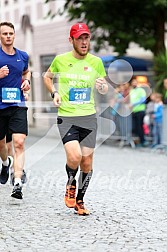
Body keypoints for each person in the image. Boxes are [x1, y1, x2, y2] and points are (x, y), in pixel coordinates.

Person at [44, 23, 108, 215]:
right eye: (79, 38)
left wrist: (102, 87)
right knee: (75, 156)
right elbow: (47, 77)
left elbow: (103, 88)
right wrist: (54, 92)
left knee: (87, 162)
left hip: (89, 117)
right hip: (67, 116)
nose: (84, 42)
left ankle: (80, 200)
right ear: (71, 40)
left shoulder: (96, 62)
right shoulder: (60, 60)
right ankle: (70, 184)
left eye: (86, 38)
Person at [0, 22, 31, 199]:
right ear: (0, 36)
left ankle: (17, 181)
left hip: (17, 104)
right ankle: (5, 163)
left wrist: (27, 81)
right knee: (2, 145)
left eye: (11, 33)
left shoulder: (22, 55)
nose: (8, 36)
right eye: (5, 34)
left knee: (19, 142)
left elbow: (26, 72)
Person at [129, 77, 147, 147]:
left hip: (140, 111)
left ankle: (143, 141)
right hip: (134, 111)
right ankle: (138, 141)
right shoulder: (131, 91)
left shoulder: (141, 90)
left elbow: (143, 100)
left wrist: (133, 104)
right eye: (133, 82)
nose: (134, 83)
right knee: (135, 127)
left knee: (140, 127)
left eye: (135, 82)